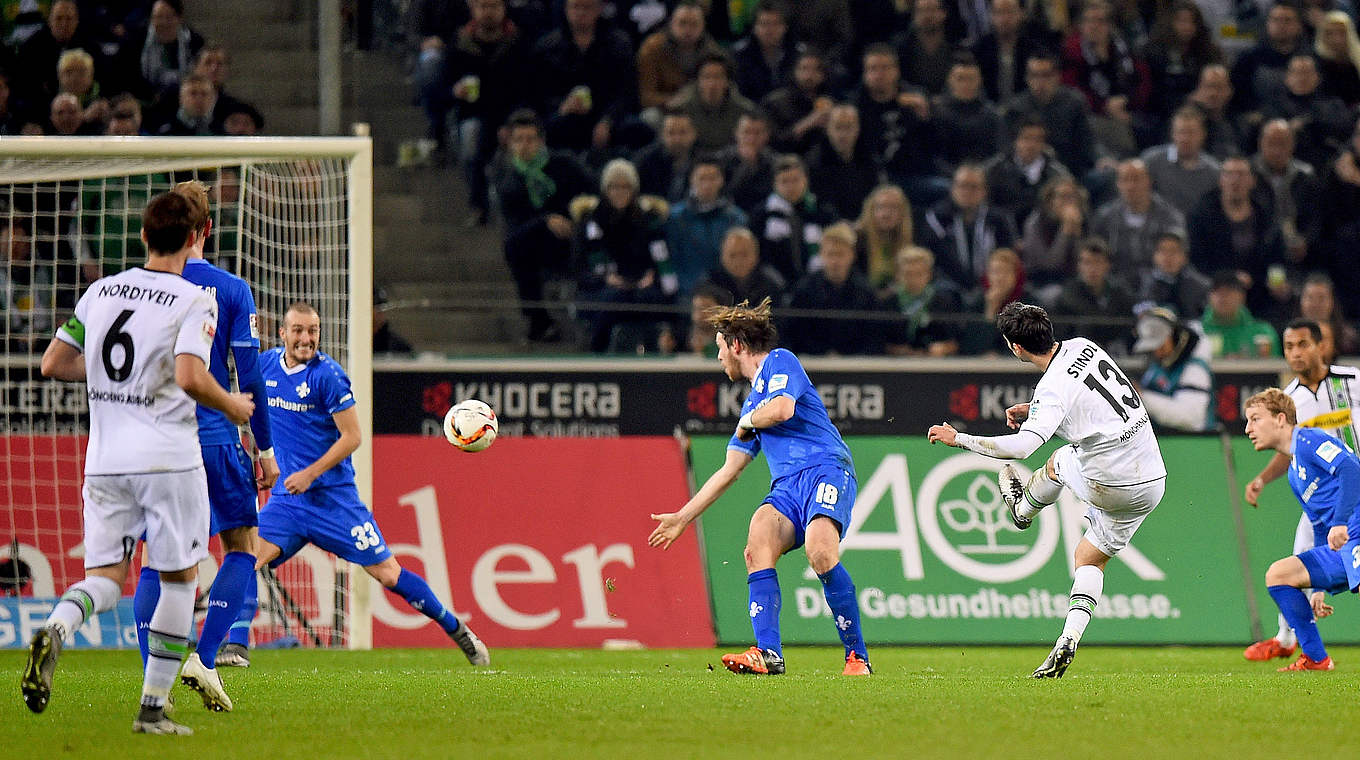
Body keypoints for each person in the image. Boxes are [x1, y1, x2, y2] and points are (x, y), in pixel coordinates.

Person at [23, 191, 255, 734]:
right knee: (179, 579)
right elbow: (191, 377)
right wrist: (234, 406)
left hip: (103, 460)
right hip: (169, 461)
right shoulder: (194, 298)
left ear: (144, 237)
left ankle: (56, 628)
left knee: (104, 578)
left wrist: (112, 380)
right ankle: (153, 709)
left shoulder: (101, 290)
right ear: (197, 237)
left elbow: (52, 363)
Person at [928, 301, 1166, 677]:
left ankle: (1022, 511)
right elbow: (1092, 403)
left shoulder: (1052, 388)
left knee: (1056, 462)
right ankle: (1068, 638)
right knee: (1089, 557)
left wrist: (959, 438)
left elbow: (1021, 447)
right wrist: (1037, 408)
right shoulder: (1085, 346)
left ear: (1015, 347)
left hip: (1110, 481)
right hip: (1152, 480)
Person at [248, 302, 490, 669]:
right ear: (282, 333)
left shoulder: (328, 375)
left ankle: (458, 631)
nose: (305, 338)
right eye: (297, 330)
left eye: (312, 331)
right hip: (288, 501)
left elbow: (352, 436)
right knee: (245, 560)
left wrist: (311, 473)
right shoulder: (265, 367)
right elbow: (251, 411)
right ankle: (232, 646)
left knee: (388, 574)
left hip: (334, 501)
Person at [648, 297, 872, 676]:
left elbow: (783, 409)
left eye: (720, 348)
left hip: (826, 469)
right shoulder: (752, 405)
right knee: (758, 540)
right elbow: (729, 470)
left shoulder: (780, 361)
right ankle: (768, 653)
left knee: (820, 551)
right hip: (787, 486)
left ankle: (858, 657)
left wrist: (750, 419)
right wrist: (683, 517)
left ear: (736, 345)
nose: (718, 358)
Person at [126, 181, 278, 709]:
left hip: (153, 442)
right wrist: (264, 449)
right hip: (215, 438)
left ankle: (154, 686)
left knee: (154, 560)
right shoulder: (231, 289)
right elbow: (250, 374)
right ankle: (206, 658)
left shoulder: (133, 289)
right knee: (241, 546)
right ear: (207, 229)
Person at [1241, 319, 1360, 661]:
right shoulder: (1289, 400)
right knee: (1291, 565)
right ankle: (1293, 642)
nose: (1294, 353)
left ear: (1321, 345)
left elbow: (1350, 467)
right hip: (1328, 503)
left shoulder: (1350, 380)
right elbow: (1288, 452)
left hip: (1352, 499)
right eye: (1288, 346)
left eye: (1302, 344)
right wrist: (1263, 479)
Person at [1131, 306, 1214, 432]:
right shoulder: (1157, 366)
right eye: (1153, 348)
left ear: (1175, 337)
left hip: (1193, 445)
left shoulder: (1195, 370)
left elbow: (1191, 418)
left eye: (1161, 346)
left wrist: (1142, 398)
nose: (1157, 352)